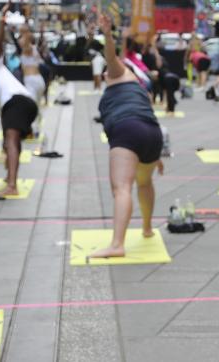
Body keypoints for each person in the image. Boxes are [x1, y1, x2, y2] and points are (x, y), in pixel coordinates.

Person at [88, 14, 166, 260]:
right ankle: (146, 227)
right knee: (144, 183)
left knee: (121, 189)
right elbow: (149, 116)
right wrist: (158, 156)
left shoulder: (119, 72)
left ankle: (117, 244)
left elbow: (110, 56)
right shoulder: (137, 85)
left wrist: (108, 34)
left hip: (127, 130)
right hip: (152, 134)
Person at [0, 4, 39, 197]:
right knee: (12, 141)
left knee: (11, 141)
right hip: (26, 103)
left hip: (19, 102)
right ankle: (9, 178)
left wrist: (0, 23)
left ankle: (11, 184)